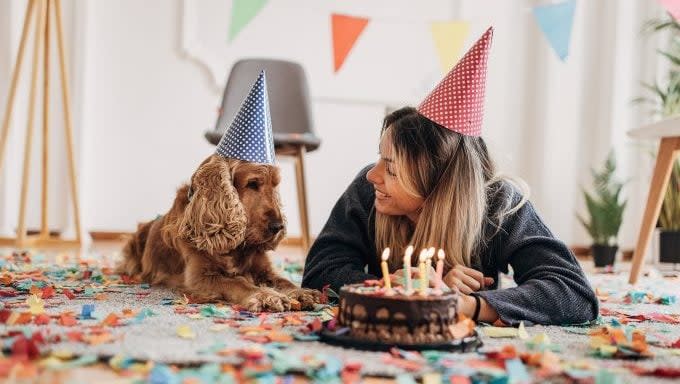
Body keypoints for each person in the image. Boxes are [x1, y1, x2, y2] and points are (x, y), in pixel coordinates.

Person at [301, 27, 598, 326]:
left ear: (436, 181)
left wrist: (465, 304)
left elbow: (574, 293)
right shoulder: (368, 191)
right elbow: (320, 272)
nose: (372, 175)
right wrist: (391, 285)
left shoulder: (500, 204)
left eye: (391, 168)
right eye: (380, 157)